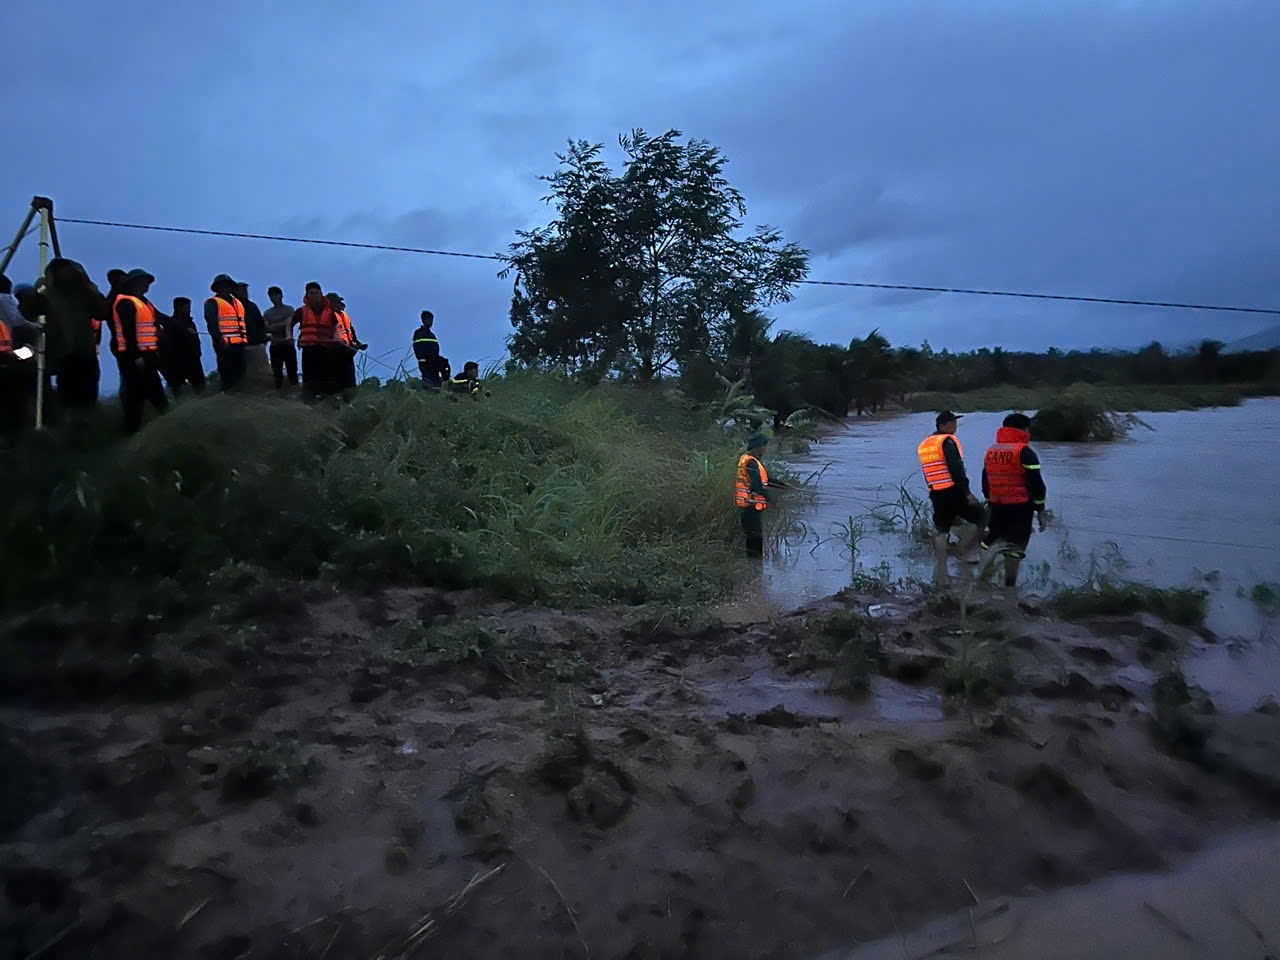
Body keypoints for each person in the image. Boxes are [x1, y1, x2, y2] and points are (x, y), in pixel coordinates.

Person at [981, 412, 1049, 590]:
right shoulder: (1024, 451)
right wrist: (1041, 509)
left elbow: (985, 480)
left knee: (992, 542)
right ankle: (1009, 589)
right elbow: (1036, 483)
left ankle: (981, 582)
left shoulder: (991, 451)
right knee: (1015, 549)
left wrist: (989, 501)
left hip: (996, 505)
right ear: (1024, 430)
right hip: (1020, 507)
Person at [917, 410, 984, 583]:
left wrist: (932, 489)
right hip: (953, 489)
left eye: (955, 422)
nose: (955, 425)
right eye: (952, 422)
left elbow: (927, 471)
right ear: (942, 425)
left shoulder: (925, 444)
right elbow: (956, 468)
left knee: (941, 529)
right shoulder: (947, 441)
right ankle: (961, 550)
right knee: (980, 517)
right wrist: (967, 492)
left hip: (936, 491)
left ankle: (941, 571)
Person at [43, 259, 107, 417]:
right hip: (64, 354)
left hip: (84, 352)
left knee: (87, 396)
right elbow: (31, 310)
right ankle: (71, 425)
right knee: (69, 398)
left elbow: (103, 312)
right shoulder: (48, 295)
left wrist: (93, 291)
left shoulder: (84, 294)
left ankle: (85, 424)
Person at [112, 268, 169, 433]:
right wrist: (136, 356)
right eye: (144, 282)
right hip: (133, 358)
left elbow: (157, 320)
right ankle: (132, 433)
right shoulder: (126, 302)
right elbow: (129, 332)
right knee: (135, 399)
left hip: (148, 356)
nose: (147, 285)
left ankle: (162, 427)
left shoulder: (144, 302)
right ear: (134, 283)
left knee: (155, 395)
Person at [734, 432, 789, 557]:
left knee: (753, 539)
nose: (765, 449)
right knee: (755, 541)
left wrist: (783, 485)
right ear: (757, 447)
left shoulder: (751, 461)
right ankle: (755, 566)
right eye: (763, 446)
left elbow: (766, 479)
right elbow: (757, 486)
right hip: (750, 507)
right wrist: (771, 499)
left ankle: (753, 567)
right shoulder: (751, 463)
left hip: (749, 507)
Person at [291, 282, 337, 399]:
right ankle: (309, 401)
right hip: (308, 348)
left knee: (326, 376)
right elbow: (290, 323)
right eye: (311, 293)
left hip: (326, 348)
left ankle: (326, 400)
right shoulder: (301, 311)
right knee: (309, 377)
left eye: (317, 293)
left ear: (321, 294)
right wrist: (288, 336)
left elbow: (336, 328)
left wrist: (337, 339)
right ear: (307, 295)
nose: (314, 295)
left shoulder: (330, 312)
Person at [205, 274, 248, 390]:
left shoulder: (238, 303)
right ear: (217, 288)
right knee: (228, 376)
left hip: (240, 345)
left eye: (227, 285)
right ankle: (228, 395)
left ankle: (242, 395)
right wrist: (220, 340)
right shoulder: (212, 303)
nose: (225, 288)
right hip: (224, 346)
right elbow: (212, 324)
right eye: (222, 286)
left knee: (241, 374)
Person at [160, 297, 206, 397]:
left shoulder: (190, 323)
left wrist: (198, 352)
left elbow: (196, 340)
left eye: (189, 307)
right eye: (187, 307)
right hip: (180, 360)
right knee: (181, 388)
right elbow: (168, 343)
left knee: (201, 387)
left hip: (194, 358)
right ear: (179, 308)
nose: (189, 310)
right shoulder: (171, 324)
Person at [328, 292, 366, 395]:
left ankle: (348, 401)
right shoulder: (326, 317)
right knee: (335, 383)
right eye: (337, 302)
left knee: (349, 384)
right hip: (333, 353)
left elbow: (351, 332)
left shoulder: (343, 316)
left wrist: (358, 344)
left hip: (347, 352)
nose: (339, 304)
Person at [262, 285, 297, 388]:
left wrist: (273, 326)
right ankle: (279, 393)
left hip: (288, 345)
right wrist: (281, 325)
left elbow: (289, 324)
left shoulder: (289, 309)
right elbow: (266, 328)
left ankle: (294, 393)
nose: (274, 298)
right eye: (272, 296)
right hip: (275, 346)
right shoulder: (267, 313)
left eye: (276, 295)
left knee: (292, 373)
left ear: (281, 295)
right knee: (277, 374)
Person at [412, 310, 446, 389]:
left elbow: (436, 349)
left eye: (431, 320)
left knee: (436, 381)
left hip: (434, 362)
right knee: (427, 381)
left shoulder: (431, 335)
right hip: (425, 363)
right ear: (423, 320)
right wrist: (423, 359)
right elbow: (417, 348)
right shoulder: (419, 333)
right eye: (428, 319)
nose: (430, 322)